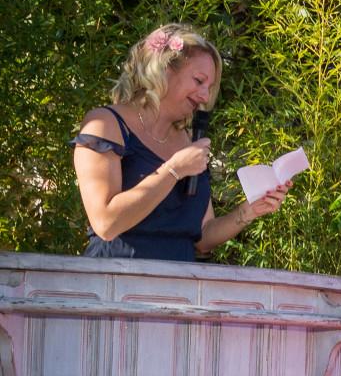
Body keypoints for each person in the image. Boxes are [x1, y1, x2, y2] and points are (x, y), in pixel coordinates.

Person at [71, 23, 290, 261]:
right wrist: (174, 169)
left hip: (179, 287)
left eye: (209, 87)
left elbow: (202, 238)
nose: (205, 96)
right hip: (117, 283)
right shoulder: (105, 124)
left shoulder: (188, 141)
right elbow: (106, 223)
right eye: (198, 81)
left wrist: (247, 212)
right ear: (164, 70)